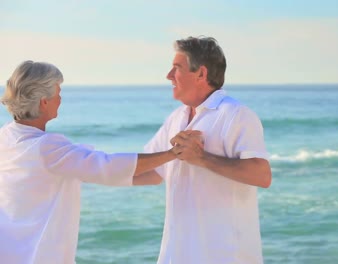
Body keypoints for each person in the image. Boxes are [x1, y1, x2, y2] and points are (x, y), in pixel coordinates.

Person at [0, 60, 200, 263]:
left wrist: (157, 173)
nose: (60, 99)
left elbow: (90, 169)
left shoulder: (6, 137)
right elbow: (105, 165)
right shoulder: (46, 148)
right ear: (44, 101)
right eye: (58, 93)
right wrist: (172, 154)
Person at [144, 36, 272, 264]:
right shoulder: (176, 118)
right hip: (178, 253)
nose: (169, 76)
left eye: (177, 68)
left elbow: (261, 175)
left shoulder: (236, 114)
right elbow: (153, 171)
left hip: (225, 255)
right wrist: (84, 167)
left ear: (201, 74)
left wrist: (201, 157)